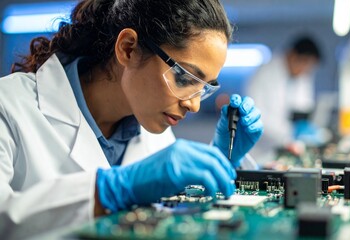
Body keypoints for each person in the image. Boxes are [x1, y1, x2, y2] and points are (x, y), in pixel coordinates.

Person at [0, 0, 263, 238]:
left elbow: (171, 215)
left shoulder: (150, 128)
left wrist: (219, 159)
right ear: (128, 48)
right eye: (184, 78)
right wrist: (109, 191)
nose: (193, 105)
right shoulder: (9, 105)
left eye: (204, 88)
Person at [246, 36, 321, 163]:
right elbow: (257, 118)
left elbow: (304, 107)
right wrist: (289, 135)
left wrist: (304, 129)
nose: (306, 70)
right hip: (260, 151)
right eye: (305, 63)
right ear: (293, 55)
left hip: (284, 149)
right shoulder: (265, 74)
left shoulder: (301, 77)